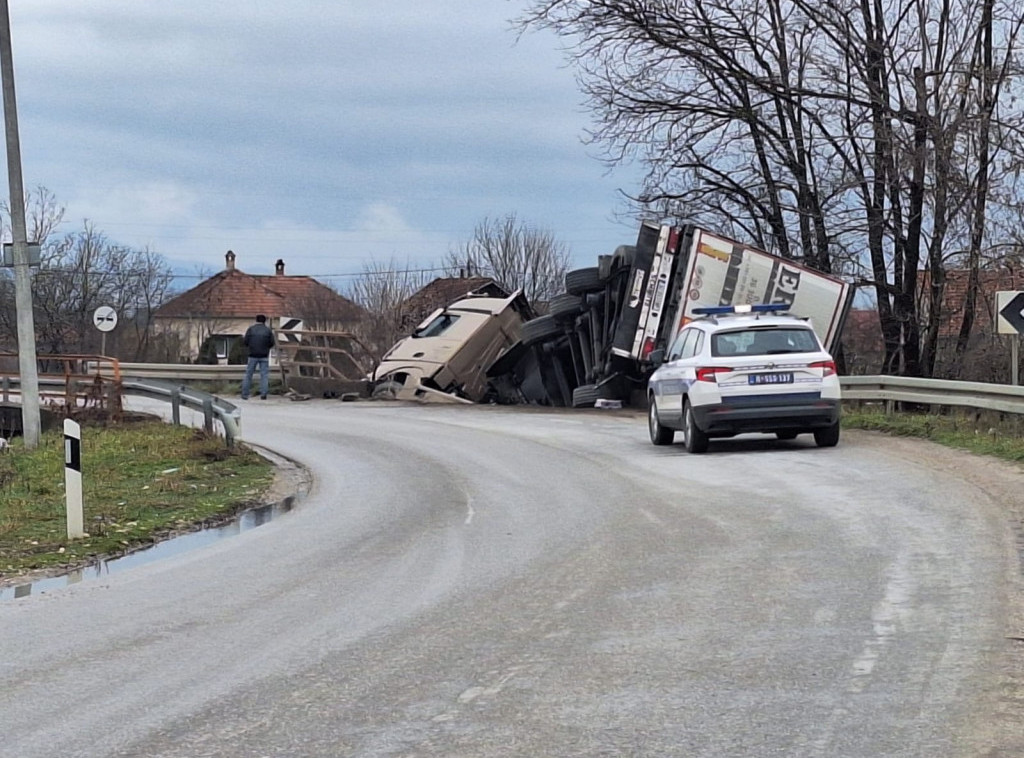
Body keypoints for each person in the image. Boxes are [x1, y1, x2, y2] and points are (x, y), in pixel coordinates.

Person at [241, 314, 275, 400]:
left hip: (252, 355)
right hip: (264, 355)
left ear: (256, 320)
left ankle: (245, 394)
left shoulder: (251, 329)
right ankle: (263, 394)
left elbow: (245, 342)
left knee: (248, 375)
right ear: (264, 321)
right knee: (264, 375)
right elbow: (271, 343)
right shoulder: (268, 331)